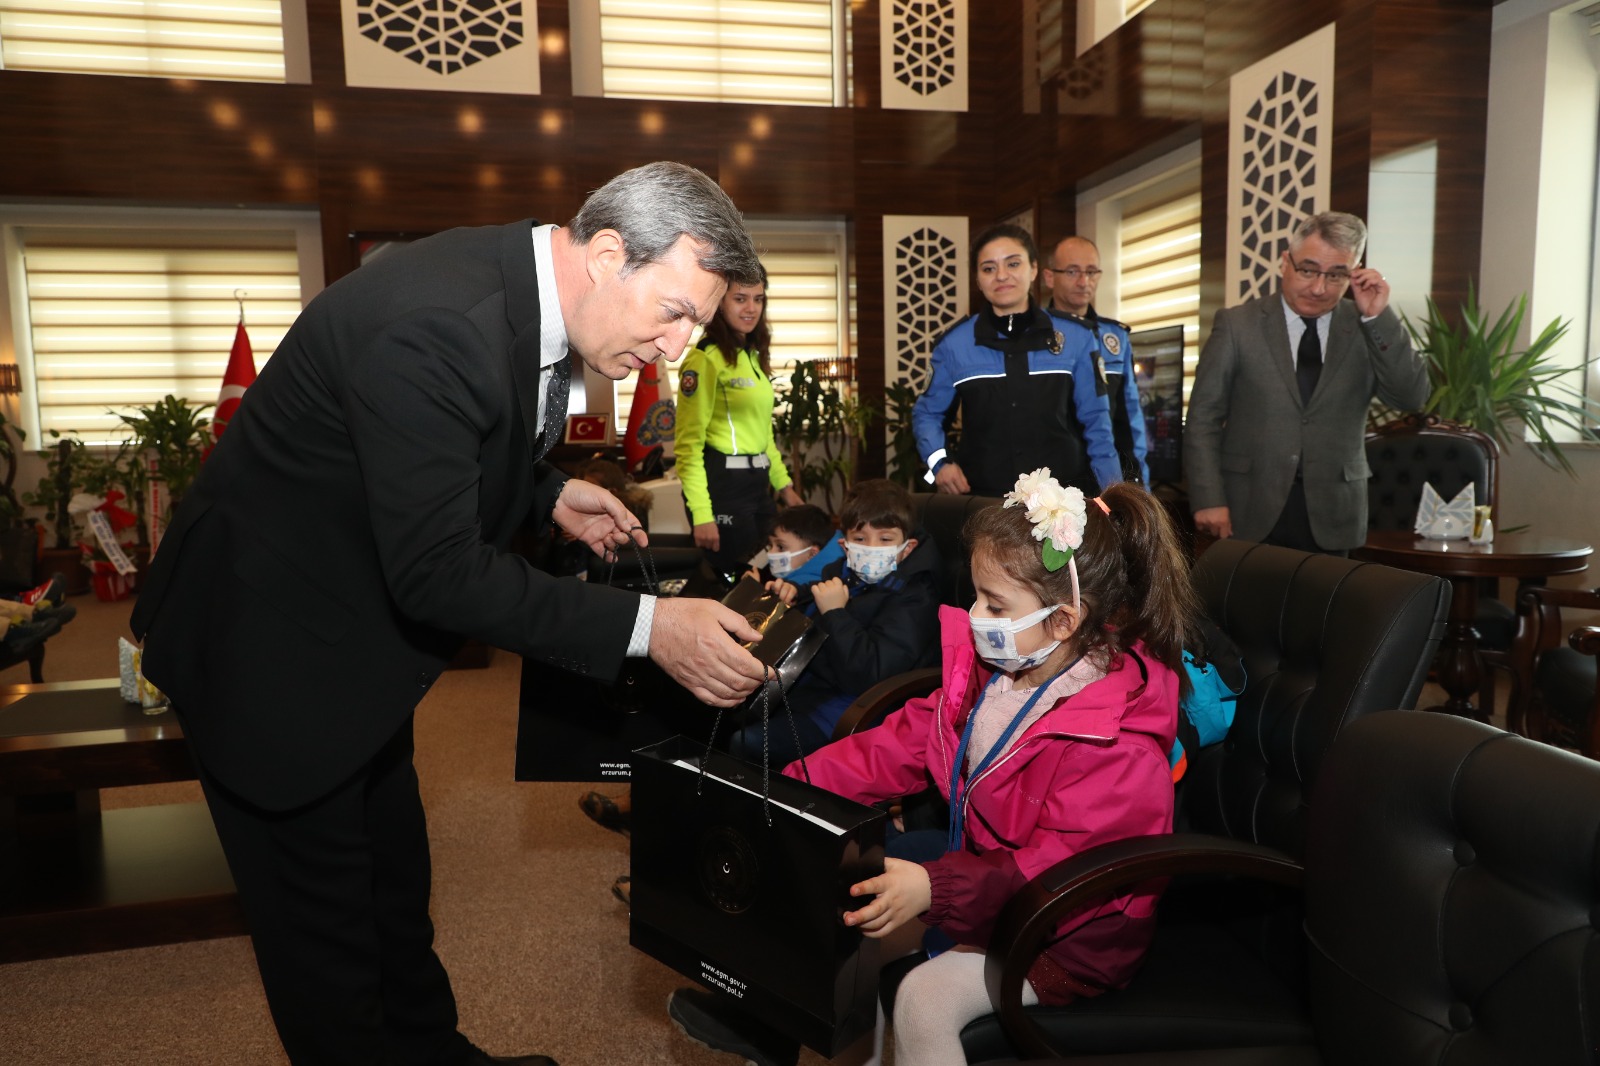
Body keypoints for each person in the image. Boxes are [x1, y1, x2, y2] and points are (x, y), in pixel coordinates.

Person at [128, 161, 773, 1066]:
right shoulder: (438, 325)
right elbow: (436, 572)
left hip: (351, 633)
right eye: (675, 312)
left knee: (394, 884)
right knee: (327, 940)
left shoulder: (522, 284)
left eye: (697, 324)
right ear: (607, 253)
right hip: (267, 649)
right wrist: (651, 629)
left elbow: (449, 438)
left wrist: (544, 493)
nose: (678, 349)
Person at [668, 469, 1197, 1066]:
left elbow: (1057, 875)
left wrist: (935, 887)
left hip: (1066, 937)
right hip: (987, 888)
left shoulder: (1115, 743)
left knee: (924, 999)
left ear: (1063, 622)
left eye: (995, 604)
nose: (975, 616)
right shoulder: (1001, 679)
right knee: (849, 912)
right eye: (976, 596)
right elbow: (898, 745)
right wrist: (795, 790)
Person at [1185, 211, 1427, 554]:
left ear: (1354, 273)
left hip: (1334, 514)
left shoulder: (1365, 327)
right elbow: (1202, 419)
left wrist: (1377, 316)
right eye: (1308, 270)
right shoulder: (1238, 325)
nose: (1319, 287)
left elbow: (1411, 397)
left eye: (1336, 275)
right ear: (1286, 261)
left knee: (1328, 609)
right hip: (1247, 511)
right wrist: (1208, 497)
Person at [726, 479, 942, 766]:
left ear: (907, 547)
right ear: (845, 544)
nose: (872, 547)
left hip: (854, 707)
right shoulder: (843, 570)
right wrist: (796, 595)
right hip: (807, 686)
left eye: (886, 539)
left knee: (744, 741)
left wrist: (835, 613)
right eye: (861, 539)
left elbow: (871, 675)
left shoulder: (917, 597)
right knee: (718, 710)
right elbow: (827, 599)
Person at [913, 224, 1122, 499]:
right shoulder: (954, 345)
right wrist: (939, 464)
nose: (1001, 275)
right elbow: (926, 414)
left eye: (1013, 263)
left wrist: (1115, 496)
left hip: (1064, 505)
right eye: (988, 268)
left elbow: (1098, 424)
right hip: (984, 505)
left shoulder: (1078, 338)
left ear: (1033, 269)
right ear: (977, 279)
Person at [674, 264, 804, 573]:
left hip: (758, 487)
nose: (751, 308)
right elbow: (688, 447)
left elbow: (763, 436)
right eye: (740, 298)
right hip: (723, 489)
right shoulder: (704, 359)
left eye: (758, 299)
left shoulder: (751, 356)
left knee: (769, 573)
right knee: (739, 581)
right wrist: (702, 514)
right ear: (719, 301)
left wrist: (785, 489)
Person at [1043, 235, 1150, 483]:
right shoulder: (1033, 337)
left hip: (1103, 477)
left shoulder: (1115, 338)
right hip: (1048, 482)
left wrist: (1139, 487)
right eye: (1072, 272)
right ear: (1049, 277)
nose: (1084, 282)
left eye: (1091, 272)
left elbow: (1129, 421)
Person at [755, 502, 841, 586]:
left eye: (780, 547)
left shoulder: (799, 588)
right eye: (770, 545)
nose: (771, 553)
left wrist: (752, 588)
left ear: (812, 554)